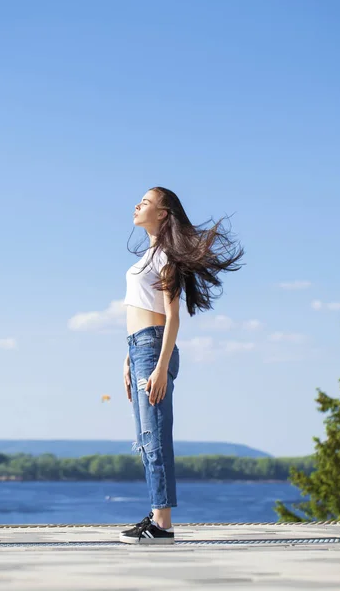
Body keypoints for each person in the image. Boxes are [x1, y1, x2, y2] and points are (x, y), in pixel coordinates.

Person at [119, 186, 244, 544]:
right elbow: (141, 312)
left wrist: (159, 366)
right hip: (140, 347)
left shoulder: (166, 259)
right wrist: (129, 358)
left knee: (155, 436)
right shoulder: (148, 255)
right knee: (146, 439)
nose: (137, 205)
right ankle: (158, 514)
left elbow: (172, 318)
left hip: (154, 347)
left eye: (145, 202)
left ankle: (163, 524)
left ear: (162, 213)